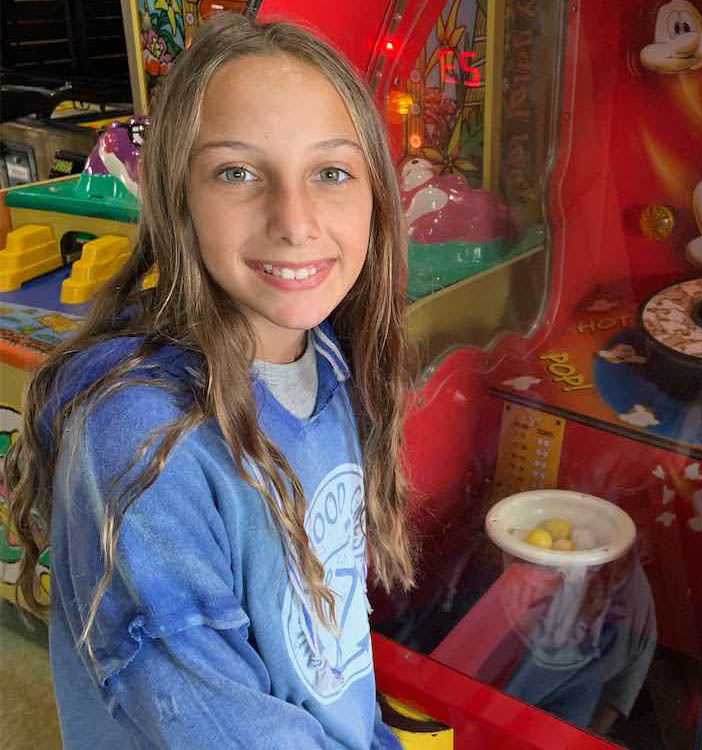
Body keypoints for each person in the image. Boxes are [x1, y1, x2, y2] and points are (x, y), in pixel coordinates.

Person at [3, 13, 413, 749]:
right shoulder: (142, 436)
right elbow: (218, 721)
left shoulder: (321, 354)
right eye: (237, 172)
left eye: (330, 172)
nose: (294, 220)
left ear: (375, 194)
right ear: (176, 198)